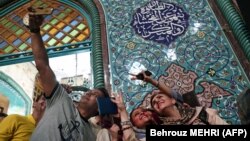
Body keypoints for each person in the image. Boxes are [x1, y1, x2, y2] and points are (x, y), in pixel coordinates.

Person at [27, 12, 110, 140]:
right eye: (90, 91)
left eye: (95, 95)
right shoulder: (61, 100)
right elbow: (42, 65)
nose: (88, 93)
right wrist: (34, 30)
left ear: (99, 109)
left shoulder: (90, 136)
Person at [133, 71, 228, 125]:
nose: (157, 100)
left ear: (173, 100)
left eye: (159, 97)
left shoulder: (200, 113)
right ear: (157, 112)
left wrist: (151, 81)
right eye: (154, 103)